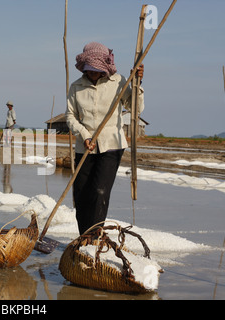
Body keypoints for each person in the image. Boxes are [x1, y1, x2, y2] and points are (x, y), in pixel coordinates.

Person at [65, 42, 144, 236]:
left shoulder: (118, 82)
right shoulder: (76, 87)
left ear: (104, 68)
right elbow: (70, 116)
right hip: (85, 146)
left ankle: (95, 238)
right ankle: (83, 237)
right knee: (81, 193)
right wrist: (84, 135)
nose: (92, 74)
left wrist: (137, 85)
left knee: (100, 192)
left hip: (111, 145)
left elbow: (136, 109)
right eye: (89, 71)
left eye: (96, 71)